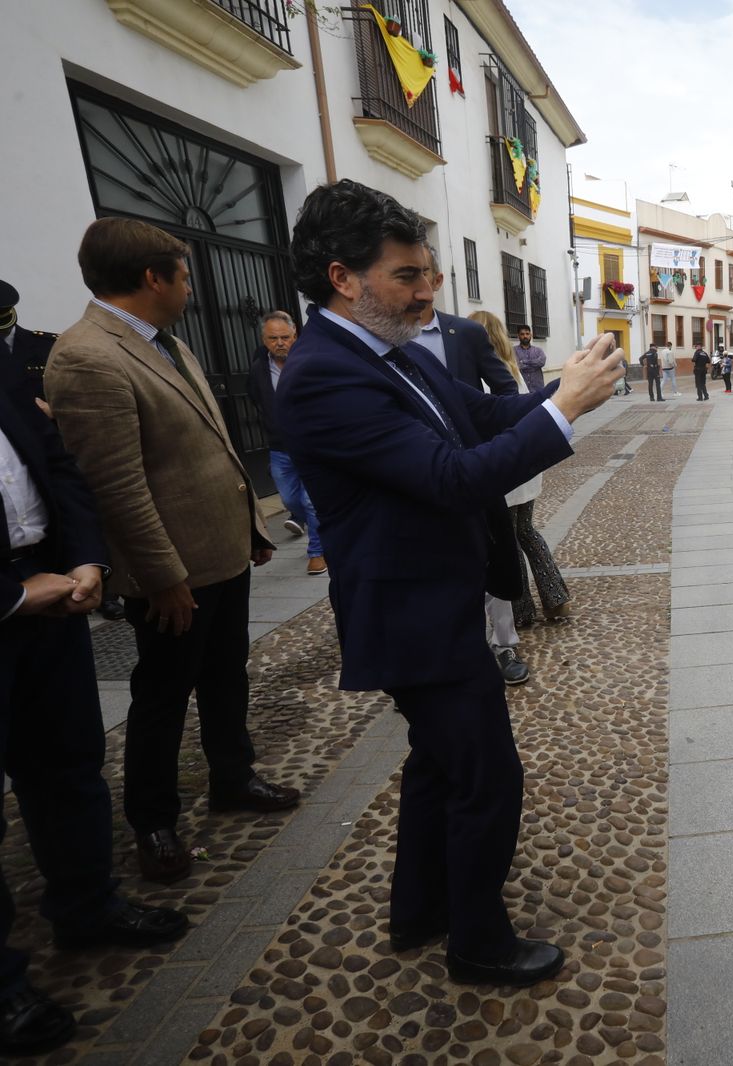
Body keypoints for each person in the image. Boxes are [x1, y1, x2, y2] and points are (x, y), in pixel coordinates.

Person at [275, 179, 622, 987]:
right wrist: (563, 413)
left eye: (429, 271)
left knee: (439, 765)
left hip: (439, 600)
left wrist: (557, 393)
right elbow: (453, 478)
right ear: (343, 278)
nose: (428, 289)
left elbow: (480, 417)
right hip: (411, 617)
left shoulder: (389, 352)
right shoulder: (325, 374)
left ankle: (422, 908)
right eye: (407, 275)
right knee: (486, 777)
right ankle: (478, 941)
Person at [45, 218, 300, 885]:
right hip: (172, 574)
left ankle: (232, 776)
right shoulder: (87, 356)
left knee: (226, 675)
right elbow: (117, 486)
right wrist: (162, 578)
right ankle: (152, 820)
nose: (191, 286)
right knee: (161, 694)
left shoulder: (165, 343)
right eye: (184, 274)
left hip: (219, 553)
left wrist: (249, 528)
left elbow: (207, 445)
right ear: (152, 278)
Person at [2, 389, 189, 1056]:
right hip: (17, 594)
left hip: (50, 591)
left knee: (69, 764)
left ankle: (87, 906)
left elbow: (57, 466)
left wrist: (87, 558)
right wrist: (14, 596)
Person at [0, 279, 128, 622]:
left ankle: (104, 587)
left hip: (53, 568)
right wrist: (13, 597)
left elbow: (61, 453)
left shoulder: (45, 347)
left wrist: (86, 558)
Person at [469, 309, 572, 655]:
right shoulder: (512, 369)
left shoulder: (480, 375)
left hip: (502, 468)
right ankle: (555, 598)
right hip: (523, 470)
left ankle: (522, 609)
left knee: (509, 538)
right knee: (526, 531)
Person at [247, 312, 325, 575]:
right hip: (280, 448)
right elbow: (256, 398)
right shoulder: (258, 368)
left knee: (311, 499)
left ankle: (317, 552)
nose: (279, 343)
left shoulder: (309, 362)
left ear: (295, 337)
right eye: (273, 338)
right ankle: (301, 518)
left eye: (285, 337)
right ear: (263, 339)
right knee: (291, 499)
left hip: (312, 444)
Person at [414, 246, 517, 396]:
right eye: (404, 274)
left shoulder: (467, 332)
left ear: (437, 281)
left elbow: (506, 389)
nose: (412, 282)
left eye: (421, 273)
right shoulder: (378, 338)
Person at [512, 324, 547, 390]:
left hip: (537, 388)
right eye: (522, 334)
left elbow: (542, 362)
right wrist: (534, 365)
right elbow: (517, 366)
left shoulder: (538, 350)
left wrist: (524, 362)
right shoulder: (513, 351)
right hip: (522, 389)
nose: (525, 336)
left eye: (527, 334)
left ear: (531, 335)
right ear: (518, 336)